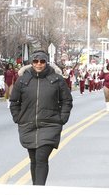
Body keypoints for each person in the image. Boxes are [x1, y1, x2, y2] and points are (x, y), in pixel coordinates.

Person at [9, 50, 73, 186]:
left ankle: (39, 190)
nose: (39, 64)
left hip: (50, 125)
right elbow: (14, 101)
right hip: (28, 125)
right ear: (32, 62)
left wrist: (62, 119)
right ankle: (35, 189)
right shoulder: (23, 80)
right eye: (36, 61)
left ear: (46, 62)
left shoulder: (56, 79)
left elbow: (66, 100)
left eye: (42, 61)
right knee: (33, 159)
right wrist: (18, 118)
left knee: (41, 157)